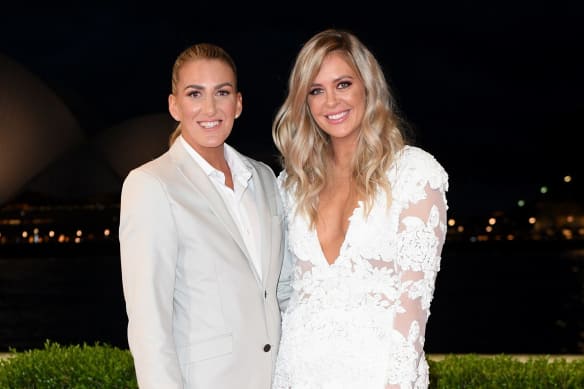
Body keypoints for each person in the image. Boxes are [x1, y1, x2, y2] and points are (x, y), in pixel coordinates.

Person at [272, 29, 449, 388]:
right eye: (316, 90)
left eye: (343, 84)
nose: (331, 102)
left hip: (376, 377)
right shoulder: (292, 184)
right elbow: (283, 293)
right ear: (304, 102)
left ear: (367, 87)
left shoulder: (413, 173)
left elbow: (413, 307)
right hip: (298, 373)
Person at [119, 42, 286, 389]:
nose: (210, 107)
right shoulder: (151, 185)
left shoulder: (264, 179)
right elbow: (149, 321)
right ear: (174, 105)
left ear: (238, 103)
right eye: (195, 94)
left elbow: (278, 291)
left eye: (221, 92)